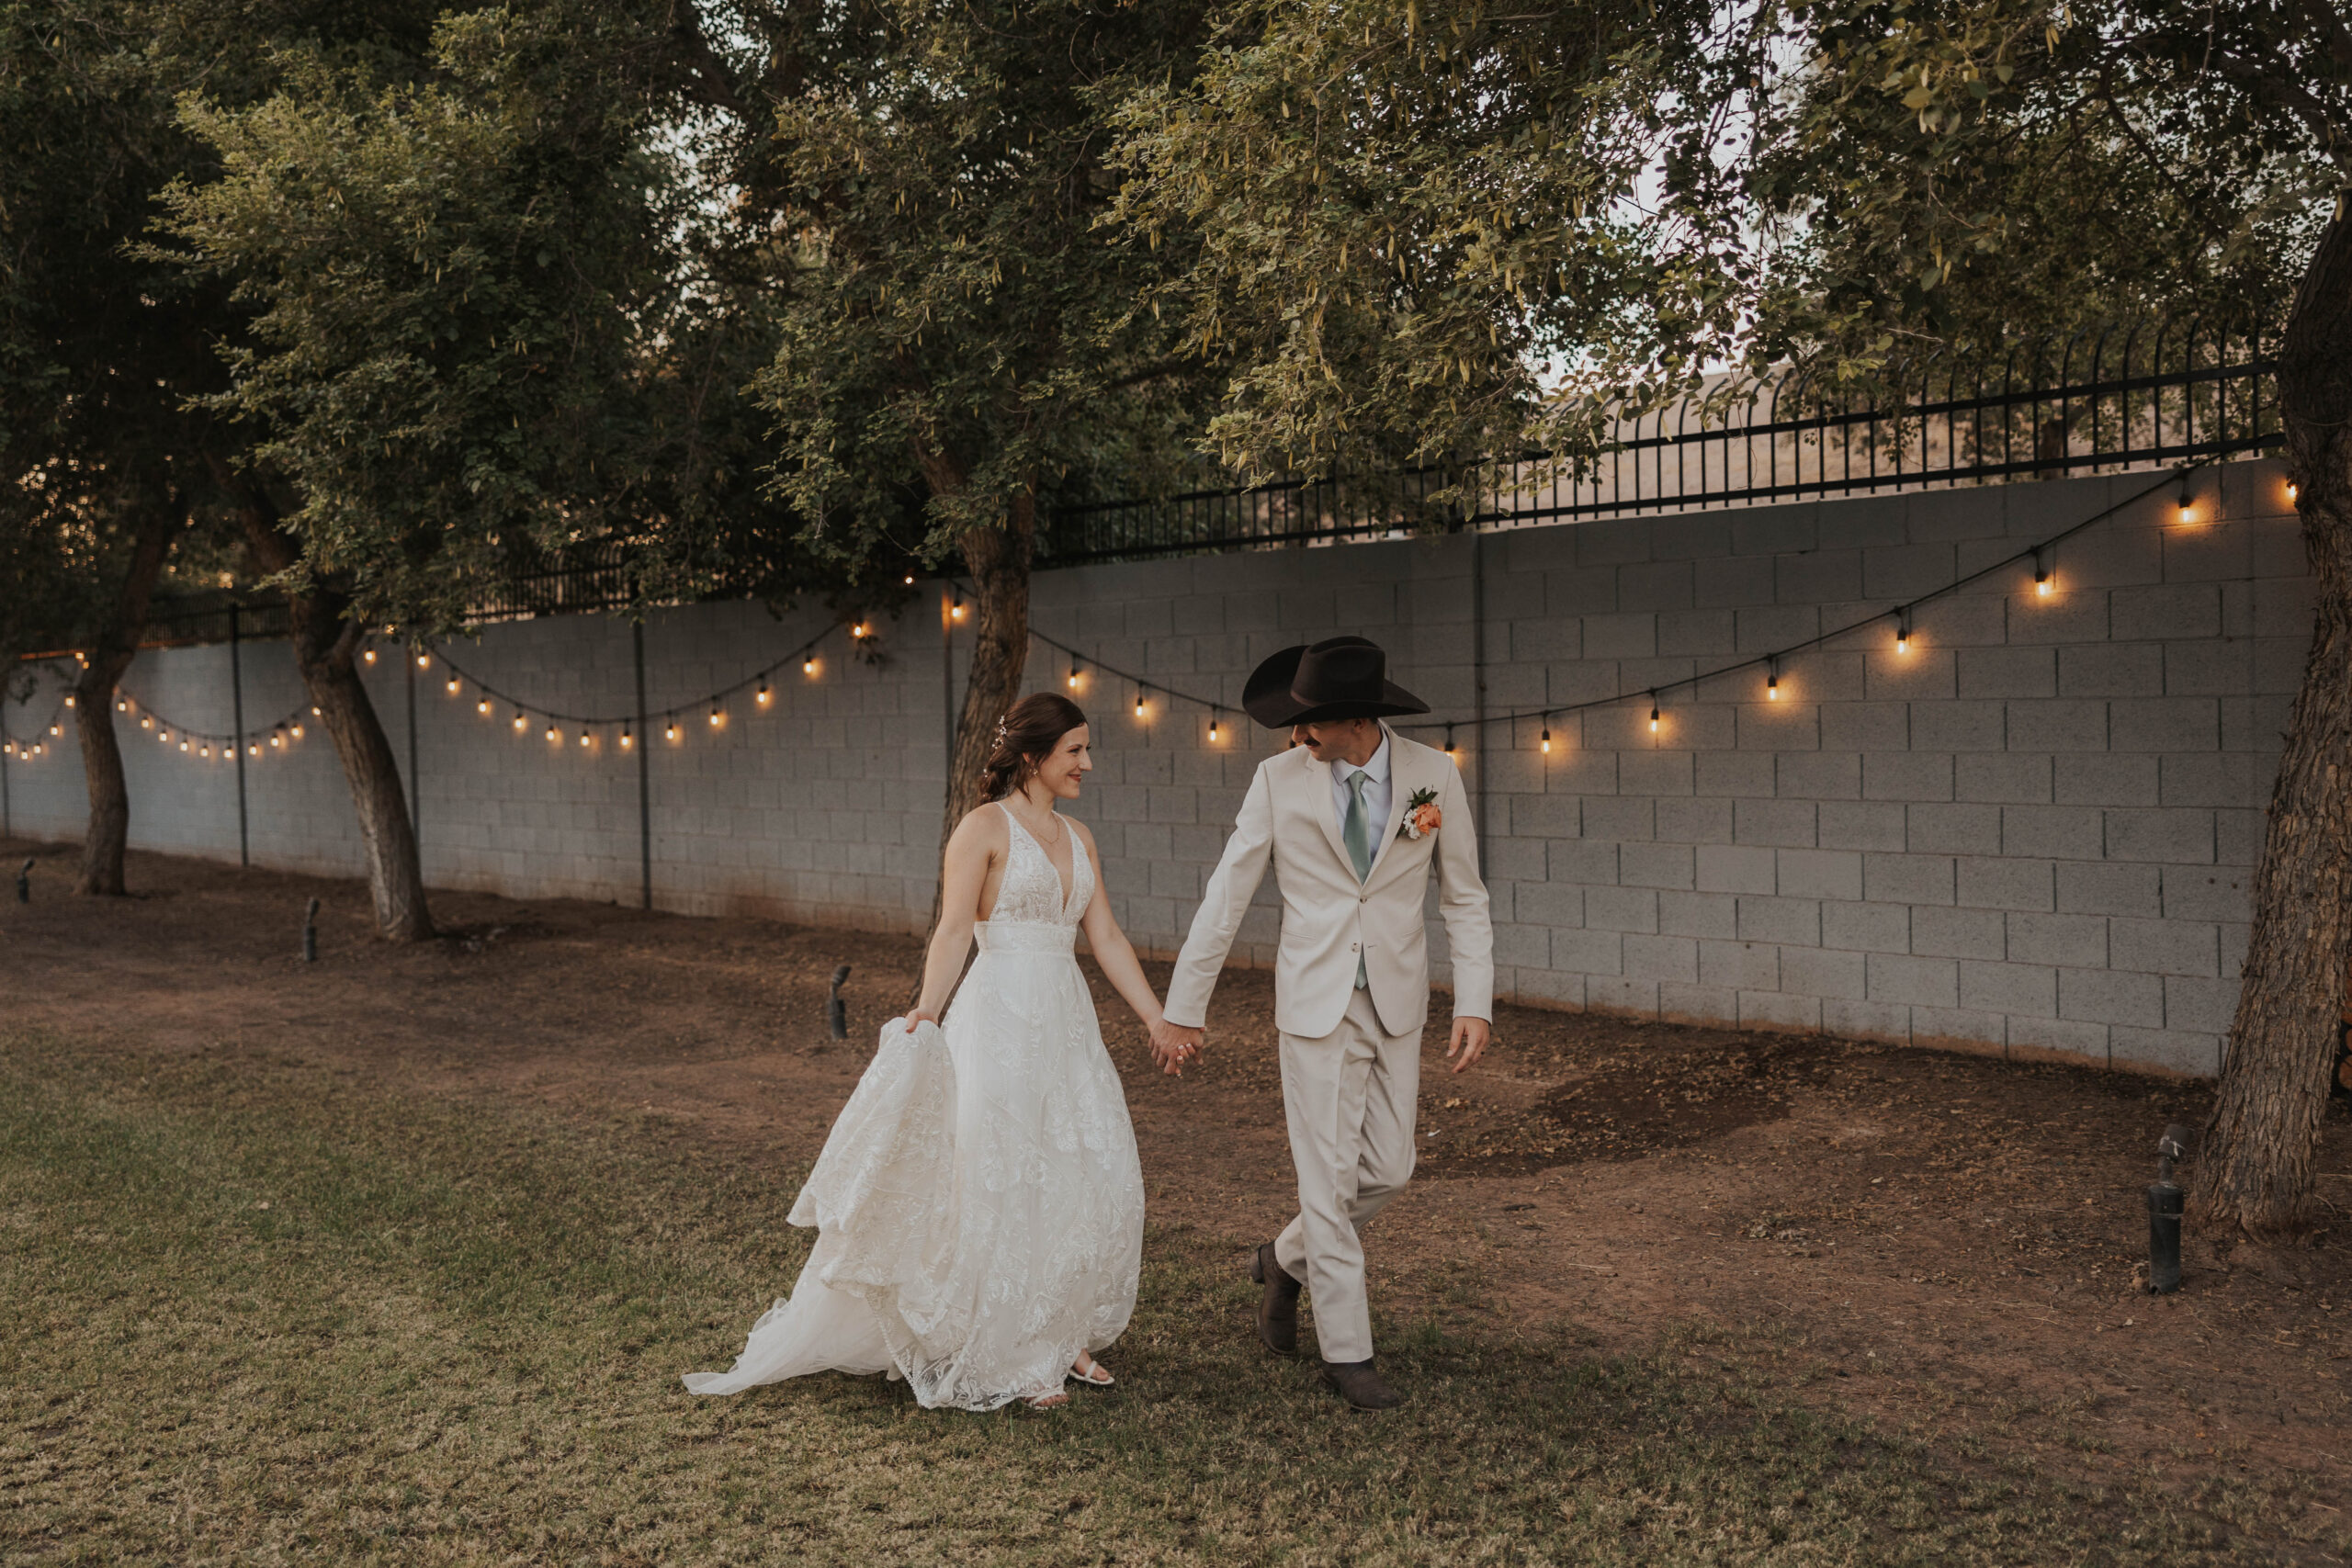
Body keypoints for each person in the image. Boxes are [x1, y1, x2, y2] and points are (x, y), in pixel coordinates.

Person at [684, 693, 1164, 1411]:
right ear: (1033, 756)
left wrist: (1159, 1019)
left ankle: (1059, 1334)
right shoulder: (982, 828)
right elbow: (951, 932)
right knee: (1000, 1170)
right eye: (1076, 750)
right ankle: (1008, 1349)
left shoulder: (1081, 837)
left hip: (1066, 1023)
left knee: (1077, 1168)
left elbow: (1108, 939)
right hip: (1000, 1016)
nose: (1087, 763)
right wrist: (928, 1011)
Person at [1149, 637, 1494, 1411]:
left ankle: (1280, 1258)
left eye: (1311, 722)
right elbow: (1226, 894)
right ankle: (1350, 1353)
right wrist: (1184, 1007)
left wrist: (1475, 998)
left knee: (1390, 1168)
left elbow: (1464, 894)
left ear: (1354, 719)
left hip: (1398, 1000)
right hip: (1312, 1004)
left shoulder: (1435, 778)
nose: (1297, 734)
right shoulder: (1276, 781)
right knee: (1327, 1180)